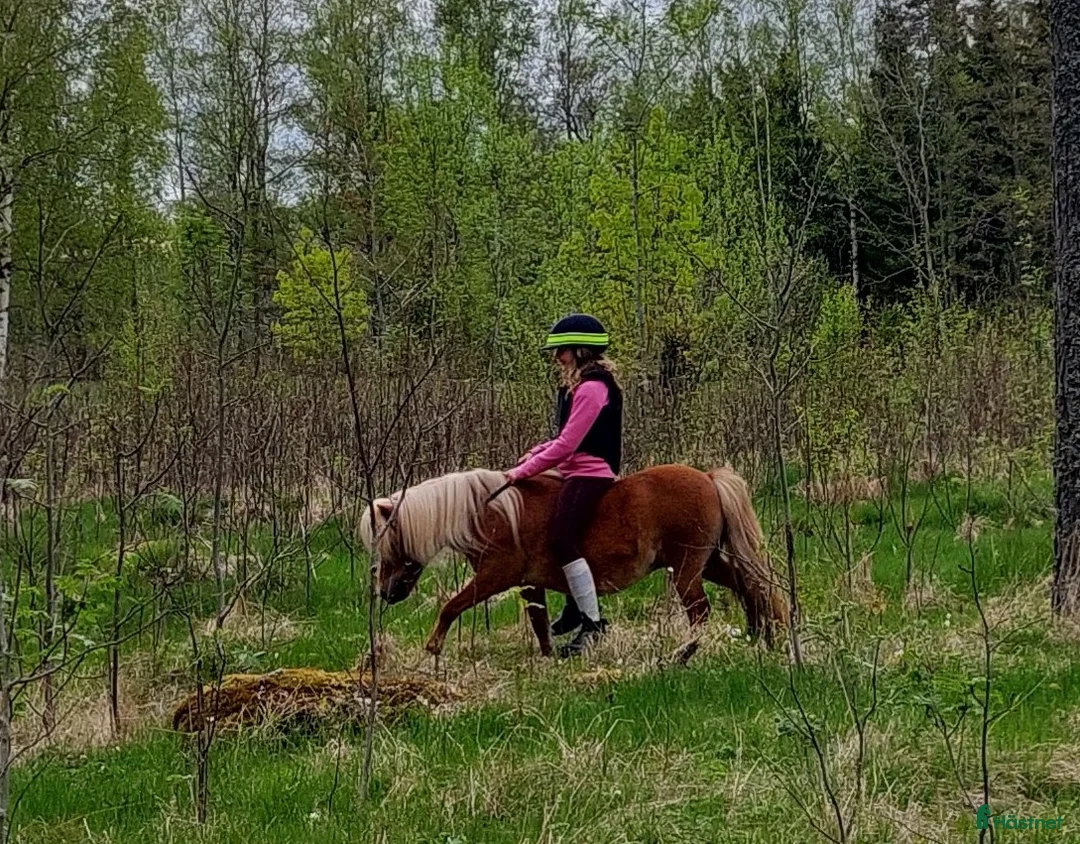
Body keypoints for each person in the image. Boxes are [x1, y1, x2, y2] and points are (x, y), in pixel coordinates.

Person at [503, 314, 623, 657]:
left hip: (591, 472)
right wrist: (536, 452)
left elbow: (569, 445)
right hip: (573, 469)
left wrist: (523, 471)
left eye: (563, 350)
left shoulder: (592, 388)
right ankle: (574, 606)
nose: (558, 357)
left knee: (561, 538)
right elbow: (562, 438)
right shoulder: (577, 386)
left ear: (581, 351)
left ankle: (592, 623)